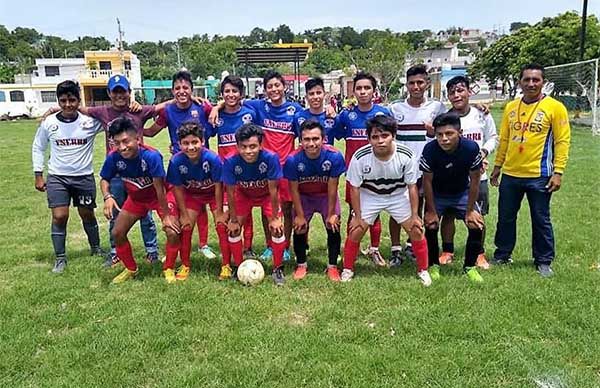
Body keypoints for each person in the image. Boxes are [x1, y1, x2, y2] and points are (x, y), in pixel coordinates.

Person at [211, 70, 303, 263]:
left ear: (284, 87)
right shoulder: (258, 107)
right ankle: (270, 246)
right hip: (258, 166)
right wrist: (216, 107)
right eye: (270, 86)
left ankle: (284, 247)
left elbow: (308, 127)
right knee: (264, 209)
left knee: (284, 209)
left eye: (277, 85)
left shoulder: (295, 110)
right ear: (265, 89)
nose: (274, 89)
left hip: (285, 168)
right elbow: (232, 100)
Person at [490, 64, 571, 277]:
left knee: (540, 218)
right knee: (506, 217)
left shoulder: (555, 107)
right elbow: (505, 139)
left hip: (540, 175)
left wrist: (558, 171)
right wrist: (497, 167)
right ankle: (502, 254)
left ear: (543, 82)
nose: (531, 84)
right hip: (511, 174)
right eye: (527, 79)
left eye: (536, 80)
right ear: (520, 82)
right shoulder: (511, 107)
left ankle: (543, 260)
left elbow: (562, 141)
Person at [79, 74, 159, 267]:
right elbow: (80, 108)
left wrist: (195, 98)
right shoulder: (103, 111)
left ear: (129, 93)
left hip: (139, 172)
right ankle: (115, 252)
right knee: (116, 213)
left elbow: (162, 107)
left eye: (123, 91)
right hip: (115, 173)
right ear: (109, 93)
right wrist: (54, 108)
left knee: (144, 213)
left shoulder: (138, 111)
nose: (119, 96)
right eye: (115, 92)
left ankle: (152, 251)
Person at [342, 115, 431, 285]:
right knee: (356, 230)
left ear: (393, 135)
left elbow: (412, 186)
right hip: (370, 195)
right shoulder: (360, 156)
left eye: (385, 136)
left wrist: (414, 215)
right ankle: (347, 269)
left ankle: (423, 270)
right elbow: (354, 188)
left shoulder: (406, 155)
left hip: (397, 195)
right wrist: (358, 216)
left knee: (416, 230)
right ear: (369, 139)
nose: (380, 141)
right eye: (375, 137)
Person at [32, 80, 105, 273]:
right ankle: (60, 257)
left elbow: (111, 117)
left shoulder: (89, 122)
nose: (67, 105)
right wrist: (38, 174)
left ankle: (96, 248)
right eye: (62, 101)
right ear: (58, 101)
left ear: (78, 100)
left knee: (87, 213)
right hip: (58, 178)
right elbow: (38, 147)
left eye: (71, 100)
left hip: (83, 177)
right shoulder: (50, 123)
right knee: (59, 216)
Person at [143, 70, 217, 261]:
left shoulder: (202, 106)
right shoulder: (167, 111)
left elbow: (219, 114)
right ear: (172, 91)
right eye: (177, 88)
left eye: (185, 87)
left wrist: (216, 107)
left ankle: (203, 245)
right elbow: (151, 132)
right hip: (179, 165)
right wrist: (132, 127)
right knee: (184, 206)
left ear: (192, 90)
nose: (181, 91)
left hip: (203, 164)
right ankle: (180, 248)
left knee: (202, 206)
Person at [99, 117, 179, 284]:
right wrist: (107, 196)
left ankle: (169, 267)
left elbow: (159, 189)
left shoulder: (151, 156)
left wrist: (166, 215)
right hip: (136, 199)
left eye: (126, 141)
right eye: (117, 143)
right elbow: (104, 178)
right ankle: (130, 268)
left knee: (172, 230)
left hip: (158, 197)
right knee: (117, 233)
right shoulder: (114, 157)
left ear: (137, 138)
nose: (122, 147)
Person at [388, 64, 447, 266]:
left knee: (423, 208)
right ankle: (395, 249)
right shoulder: (395, 109)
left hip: (427, 169)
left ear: (427, 84)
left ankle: (415, 245)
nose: (416, 87)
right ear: (407, 85)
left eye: (420, 82)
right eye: (412, 83)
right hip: (400, 168)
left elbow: (450, 127)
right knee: (397, 208)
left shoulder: (437, 107)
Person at [438, 76, 498, 269]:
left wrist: (483, 152)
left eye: (460, 90)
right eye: (452, 92)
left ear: (469, 92)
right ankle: (447, 250)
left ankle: (478, 253)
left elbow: (493, 138)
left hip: (477, 175)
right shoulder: (446, 118)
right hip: (450, 177)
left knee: (477, 214)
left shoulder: (482, 115)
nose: (456, 95)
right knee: (447, 215)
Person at [420, 113, 485, 282]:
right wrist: (431, 211)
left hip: (462, 192)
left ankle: (470, 266)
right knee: (431, 224)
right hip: (437, 194)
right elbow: (427, 182)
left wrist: (470, 210)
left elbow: (475, 180)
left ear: (460, 132)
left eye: (449, 134)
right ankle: (433, 264)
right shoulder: (430, 149)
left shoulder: (471, 148)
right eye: (439, 134)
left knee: (476, 225)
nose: (444, 139)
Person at [336, 71, 391, 267]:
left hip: (378, 172)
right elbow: (333, 133)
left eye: (367, 88)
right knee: (354, 211)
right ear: (354, 91)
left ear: (374, 91)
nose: (362, 91)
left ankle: (374, 249)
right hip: (354, 173)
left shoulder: (383, 114)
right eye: (359, 88)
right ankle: (352, 247)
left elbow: (393, 139)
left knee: (375, 212)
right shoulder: (346, 115)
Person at [222, 123, 287, 285]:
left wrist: (274, 217)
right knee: (234, 229)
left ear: (261, 145)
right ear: (237, 146)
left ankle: (277, 268)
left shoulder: (270, 158)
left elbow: (273, 190)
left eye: (253, 146)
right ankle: (238, 266)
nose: (248, 151)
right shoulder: (230, 161)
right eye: (243, 147)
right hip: (244, 195)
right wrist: (233, 218)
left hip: (266, 195)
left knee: (277, 229)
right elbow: (230, 191)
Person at [164, 121, 229, 282]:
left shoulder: (212, 158)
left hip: (214, 194)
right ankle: (185, 264)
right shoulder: (176, 161)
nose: (191, 147)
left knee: (222, 225)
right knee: (186, 226)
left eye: (195, 142)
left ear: (203, 142)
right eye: (186, 143)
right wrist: (184, 214)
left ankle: (226, 265)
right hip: (192, 195)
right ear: (179, 144)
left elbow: (219, 186)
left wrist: (220, 212)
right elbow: (177, 188)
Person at [284, 119, 346, 281]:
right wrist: (299, 214)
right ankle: (301, 264)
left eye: (315, 139)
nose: (311, 143)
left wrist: (332, 213)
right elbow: (294, 190)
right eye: (307, 139)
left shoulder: (334, 156)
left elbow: (333, 188)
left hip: (325, 196)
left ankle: (332, 266)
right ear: (300, 141)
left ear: (323, 139)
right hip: (304, 197)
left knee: (333, 225)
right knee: (299, 226)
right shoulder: (292, 160)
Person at [206, 75, 257, 259]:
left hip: (247, 170)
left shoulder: (250, 113)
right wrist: (216, 107)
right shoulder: (217, 117)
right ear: (222, 94)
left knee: (247, 210)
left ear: (241, 93)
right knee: (230, 211)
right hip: (226, 173)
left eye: (234, 91)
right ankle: (231, 248)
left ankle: (248, 247)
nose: (231, 94)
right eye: (227, 91)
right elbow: (204, 136)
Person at [293, 77, 339, 146]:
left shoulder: (332, 116)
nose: (315, 97)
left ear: (324, 94)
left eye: (318, 93)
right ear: (306, 97)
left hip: (326, 157)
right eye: (311, 94)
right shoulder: (298, 117)